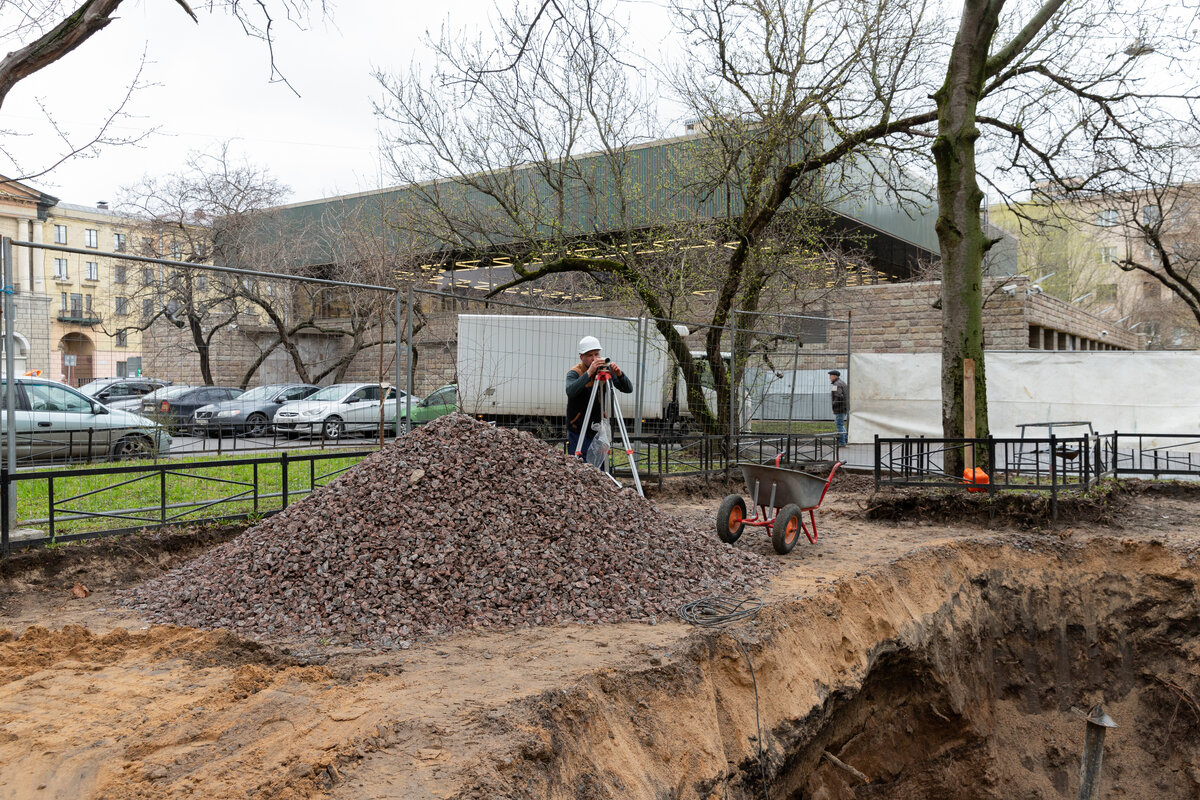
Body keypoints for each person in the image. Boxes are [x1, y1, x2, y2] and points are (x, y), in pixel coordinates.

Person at [566, 335, 633, 461]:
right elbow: (570, 391)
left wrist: (619, 375)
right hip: (578, 429)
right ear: (582, 357)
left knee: (600, 465)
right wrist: (589, 373)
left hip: (598, 428)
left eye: (597, 354)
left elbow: (628, 389)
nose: (594, 359)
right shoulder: (575, 372)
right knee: (578, 463)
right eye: (590, 355)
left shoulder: (604, 370)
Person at [828, 369, 848, 445]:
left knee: (839, 424)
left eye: (830, 376)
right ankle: (845, 437)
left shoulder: (836, 384)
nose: (829, 377)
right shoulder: (842, 383)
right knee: (839, 423)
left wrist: (834, 403)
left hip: (839, 408)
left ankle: (842, 442)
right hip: (843, 407)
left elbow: (838, 395)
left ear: (834, 376)